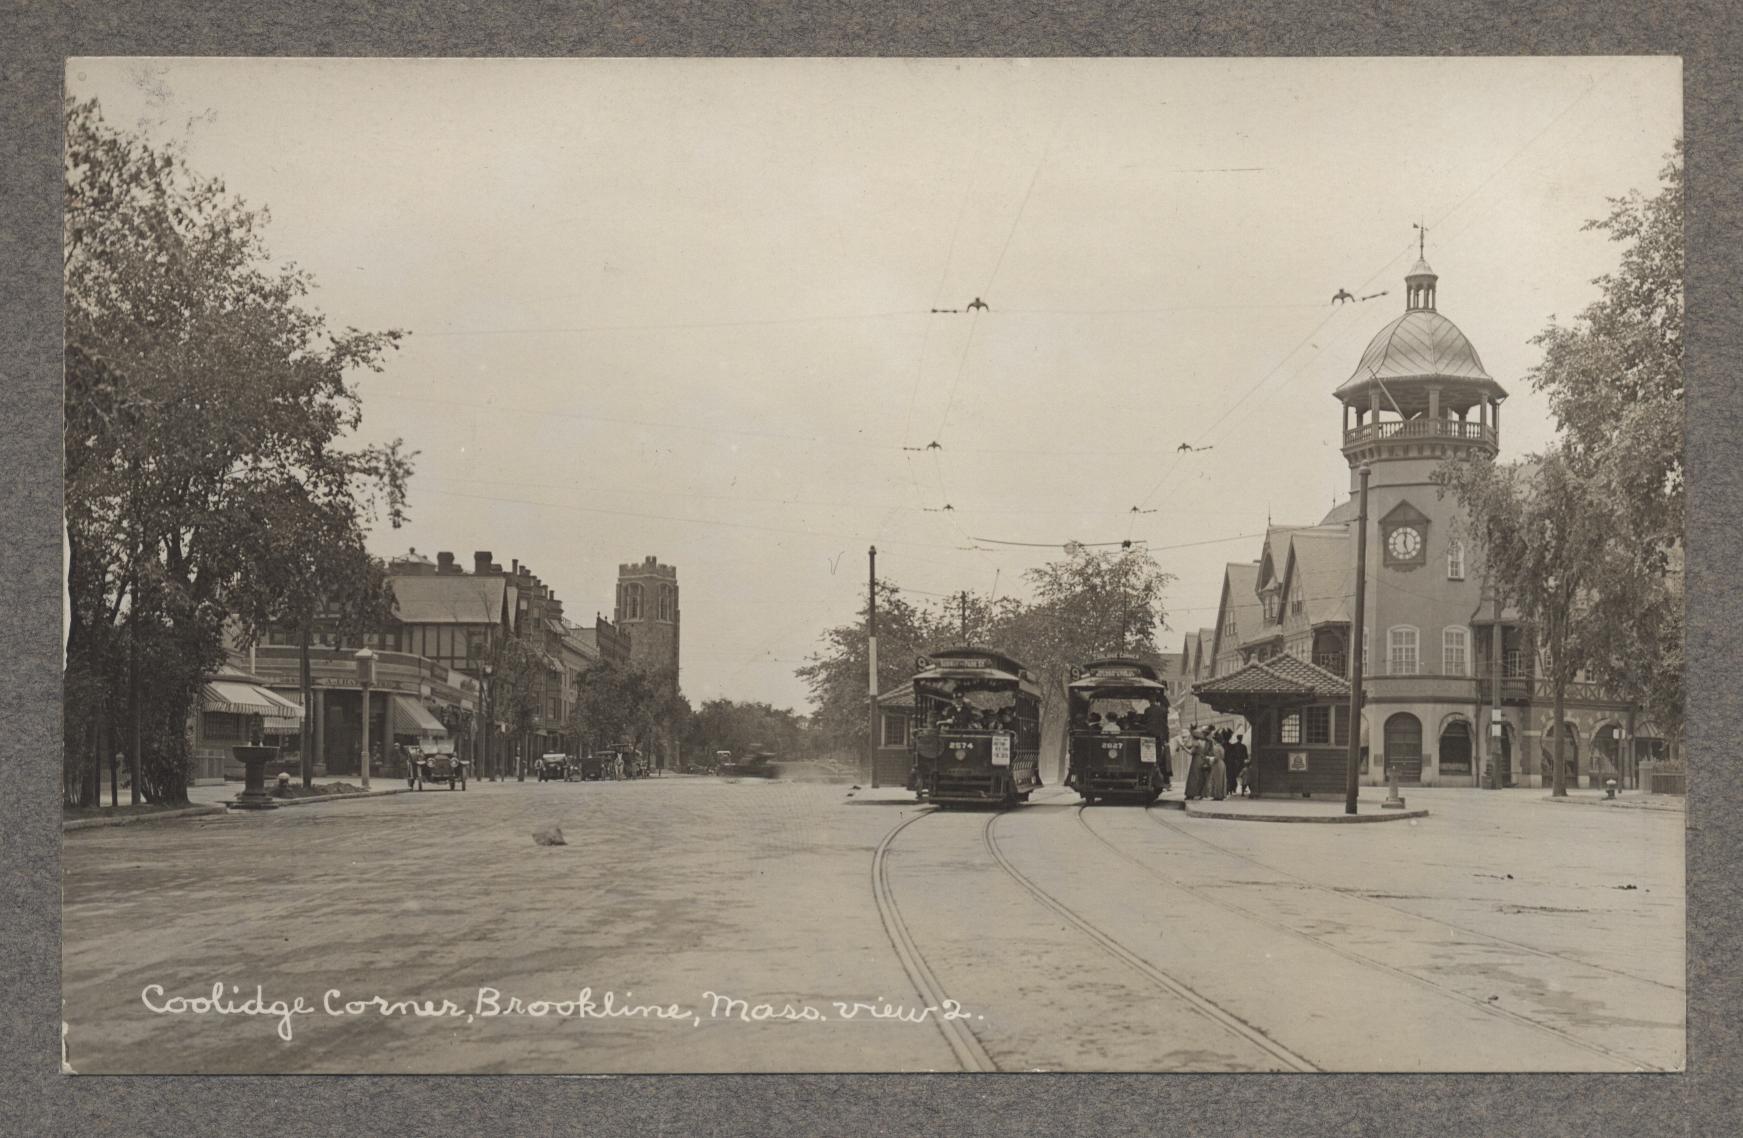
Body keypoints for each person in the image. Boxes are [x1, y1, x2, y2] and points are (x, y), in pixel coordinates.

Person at [1206, 730, 1229, 801]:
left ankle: (1217, 795)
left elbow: (1216, 758)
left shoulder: (1215, 747)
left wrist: (1209, 758)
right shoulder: (1221, 747)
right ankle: (1221, 795)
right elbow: (1222, 756)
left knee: (1216, 780)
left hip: (1217, 764)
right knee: (1221, 779)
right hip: (1222, 763)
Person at [1223, 732, 1248, 797]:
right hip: (1239, 763)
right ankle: (1239, 789)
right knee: (1240, 776)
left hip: (1233, 763)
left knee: (1231, 776)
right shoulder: (1243, 746)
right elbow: (1246, 756)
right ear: (1241, 738)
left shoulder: (1233, 745)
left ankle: (1230, 789)